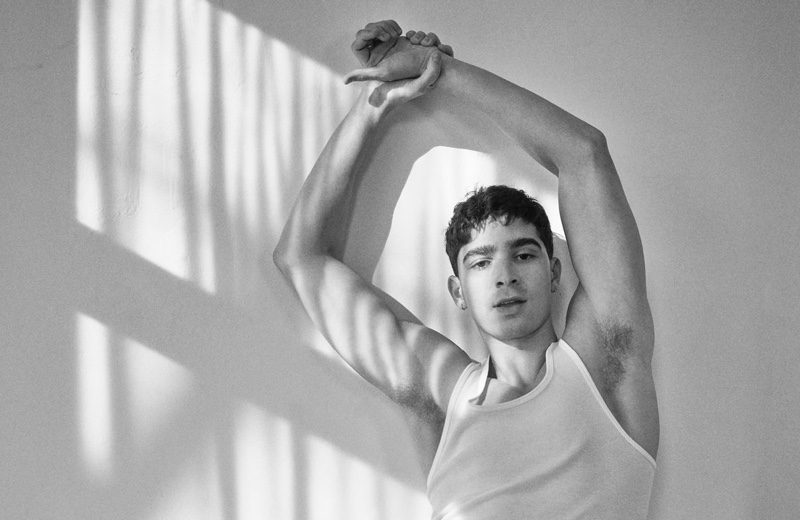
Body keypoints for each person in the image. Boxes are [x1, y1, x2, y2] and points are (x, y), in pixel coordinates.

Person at [273, 20, 659, 519]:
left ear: (554, 272)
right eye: (481, 262)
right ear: (458, 291)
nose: (505, 275)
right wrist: (374, 102)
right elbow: (300, 258)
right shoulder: (442, 393)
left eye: (524, 255)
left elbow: (584, 153)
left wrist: (437, 70)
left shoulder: (605, 363)